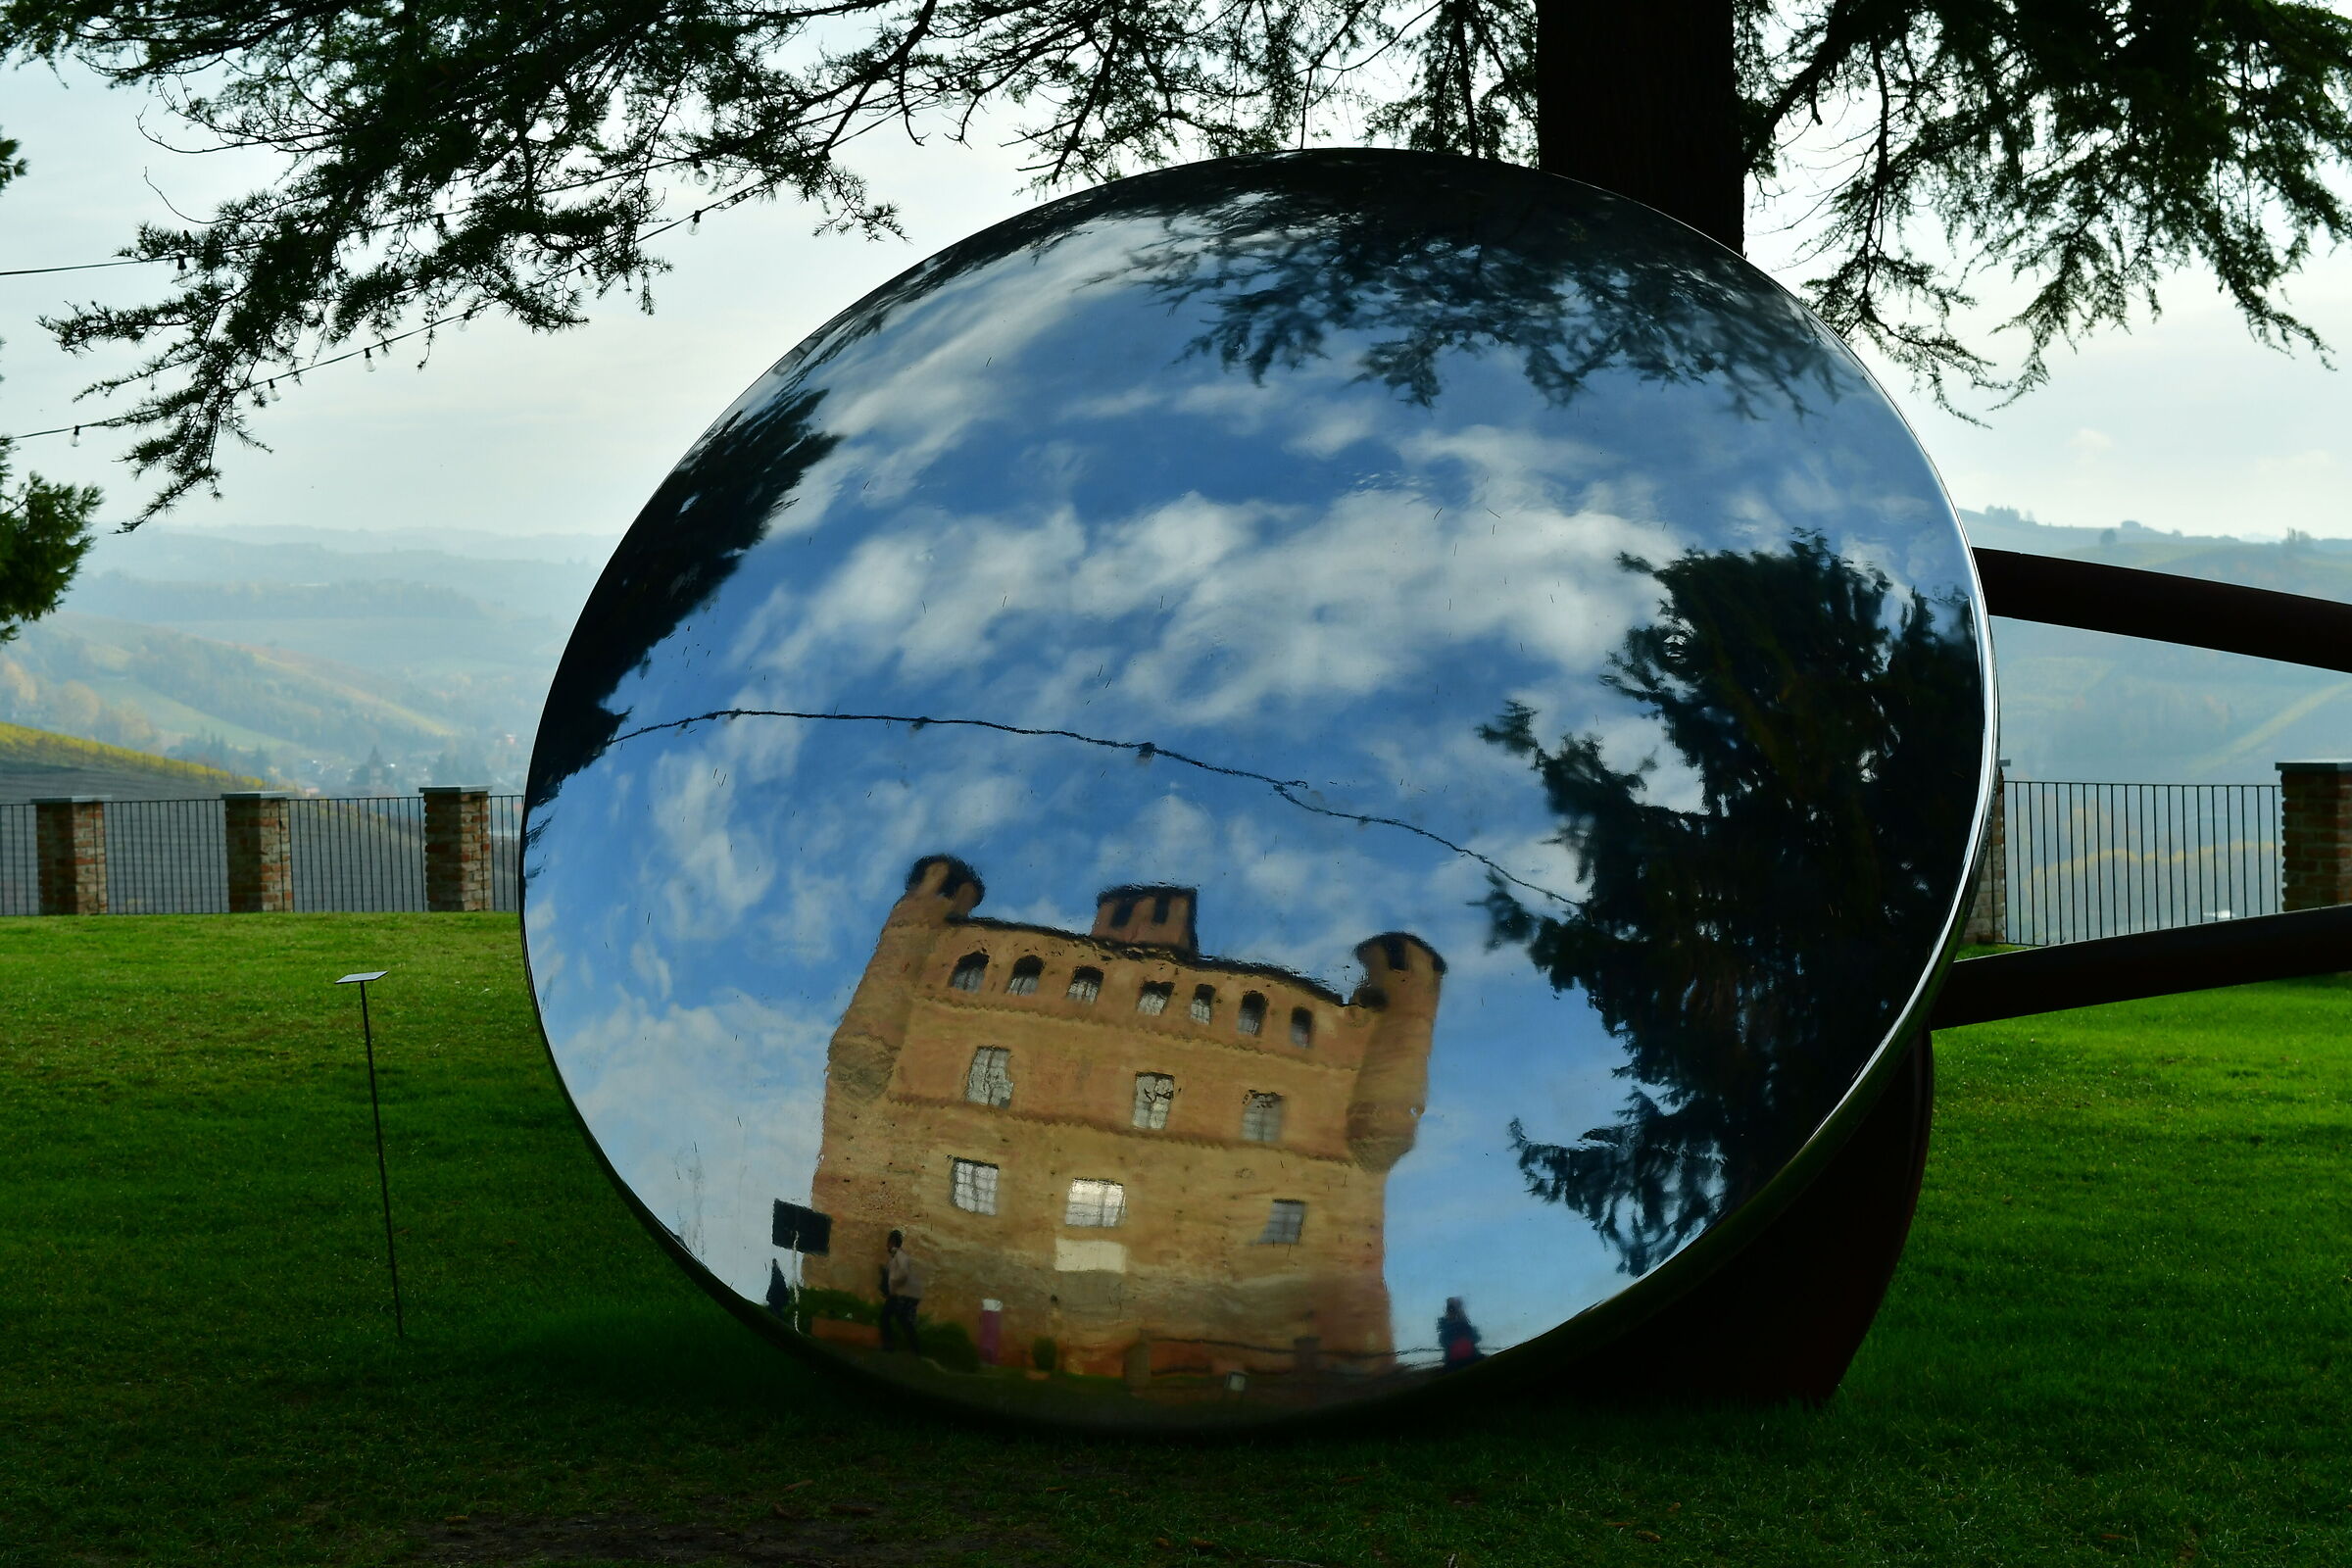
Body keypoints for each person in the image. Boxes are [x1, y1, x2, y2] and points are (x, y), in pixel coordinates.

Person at [880, 1229, 923, 1353]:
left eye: (888, 1242)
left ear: (892, 1242)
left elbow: (903, 1273)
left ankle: (889, 1346)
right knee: (903, 1321)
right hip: (903, 1295)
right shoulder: (896, 1257)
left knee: (886, 1317)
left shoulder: (900, 1255)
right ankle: (916, 1350)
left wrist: (892, 1282)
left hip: (903, 1296)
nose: (886, 1245)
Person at [1437, 1297, 1483, 1371]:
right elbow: (1443, 1341)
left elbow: (1476, 1338)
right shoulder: (1445, 1327)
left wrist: (1463, 1320)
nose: (1454, 1311)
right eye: (1451, 1309)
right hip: (1454, 1364)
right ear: (1447, 1311)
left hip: (1472, 1359)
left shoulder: (1466, 1326)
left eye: (1457, 1307)